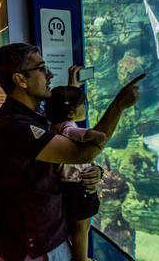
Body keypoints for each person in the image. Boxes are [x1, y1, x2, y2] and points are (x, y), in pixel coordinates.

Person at [0, 43, 145, 261]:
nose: (50, 75)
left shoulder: (35, 117)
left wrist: (93, 172)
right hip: (33, 250)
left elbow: (62, 158)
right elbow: (82, 154)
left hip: (45, 239)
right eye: (42, 69)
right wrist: (118, 105)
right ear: (20, 80)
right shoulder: (17, 126)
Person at [44, 85, 107, 261]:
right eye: (82, 105)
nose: (85, 108)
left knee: (78, 224)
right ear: (70, 113)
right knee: (83, 225)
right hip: (77, 182)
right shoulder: (67, 126)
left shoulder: (52, 126)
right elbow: (73, 132)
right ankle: (82, 259)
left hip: (67, 181)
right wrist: (94, 135)